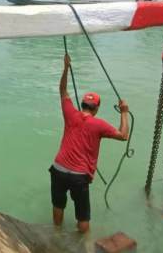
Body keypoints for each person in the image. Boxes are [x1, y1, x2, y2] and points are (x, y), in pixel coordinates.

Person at [49, 53, 129, 233]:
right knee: (83, 218)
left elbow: (62, 90)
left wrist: (66, 68)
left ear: (82, 104)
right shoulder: (99, 124)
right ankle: (82, 245)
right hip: (79, 175)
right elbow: (123, 135)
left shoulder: (70, 113)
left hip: (58, 168)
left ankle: (56, 236)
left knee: (58, 206)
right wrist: (124, 112)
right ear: (97, 108)